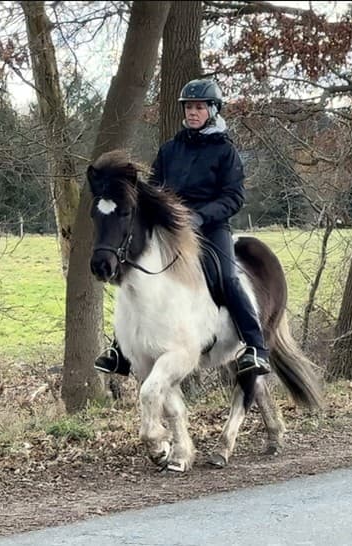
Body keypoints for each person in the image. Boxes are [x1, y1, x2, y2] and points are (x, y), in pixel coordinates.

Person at [94, 78, 271, 377]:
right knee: (133, 275)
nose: (192, 112)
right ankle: (120, 351)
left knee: (227, 278)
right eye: (189, 107)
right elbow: (154, 189)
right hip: (170, 229)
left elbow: (233, 197)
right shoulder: (170, 149)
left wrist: (201, 216)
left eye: (199, 107)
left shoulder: (225, 152)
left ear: (213, 110)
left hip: (210, 228)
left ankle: (256, 347)